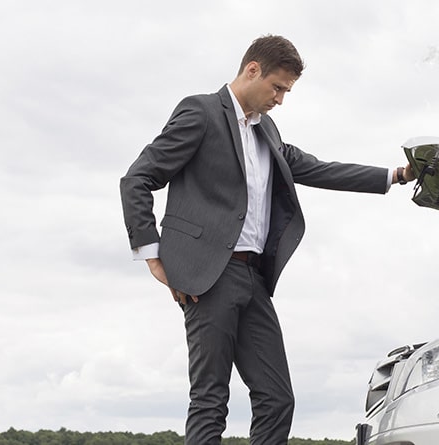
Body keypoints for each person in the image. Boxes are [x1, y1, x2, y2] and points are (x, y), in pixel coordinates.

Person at [119, 35, 416, 444]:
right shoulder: (200, 112)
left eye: (286, 92)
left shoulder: (267, 130)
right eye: (277, 88)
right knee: (210, 399)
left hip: (253, 279)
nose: (280, 99)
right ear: (252, 70)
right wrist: (153, 255)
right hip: (207, 277)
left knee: (278, 399)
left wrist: (394, 176)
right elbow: (138, 179)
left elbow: (317, 169)